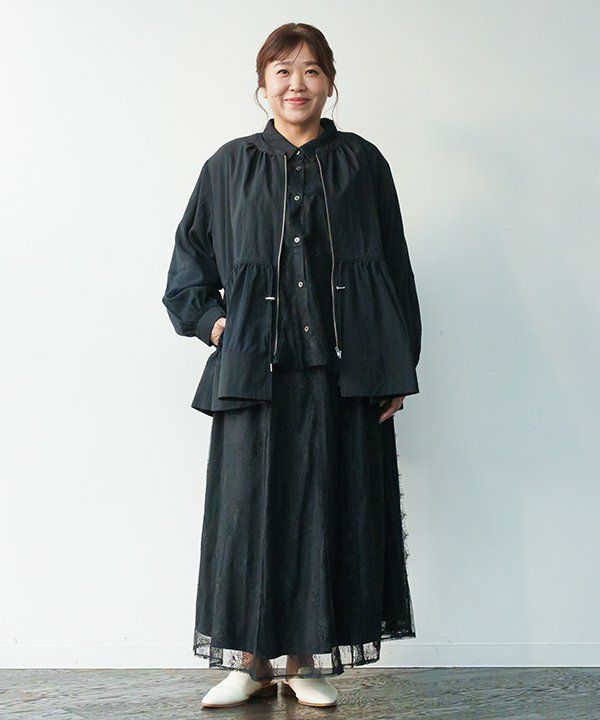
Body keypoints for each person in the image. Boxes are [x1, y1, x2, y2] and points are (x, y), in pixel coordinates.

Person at [162, 22, 422, 710]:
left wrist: (397, 365)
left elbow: (394, 266)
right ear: (262, 85)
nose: (296, 84)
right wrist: (215, 324)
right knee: (248, 515)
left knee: (331, 509)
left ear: (330, 82)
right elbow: (188, 266)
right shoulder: (229, 166)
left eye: (310, 70)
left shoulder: (363, 164)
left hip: (345, 371)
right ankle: (249, 663)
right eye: (282, 71)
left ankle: (307, 660)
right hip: (256, 373)